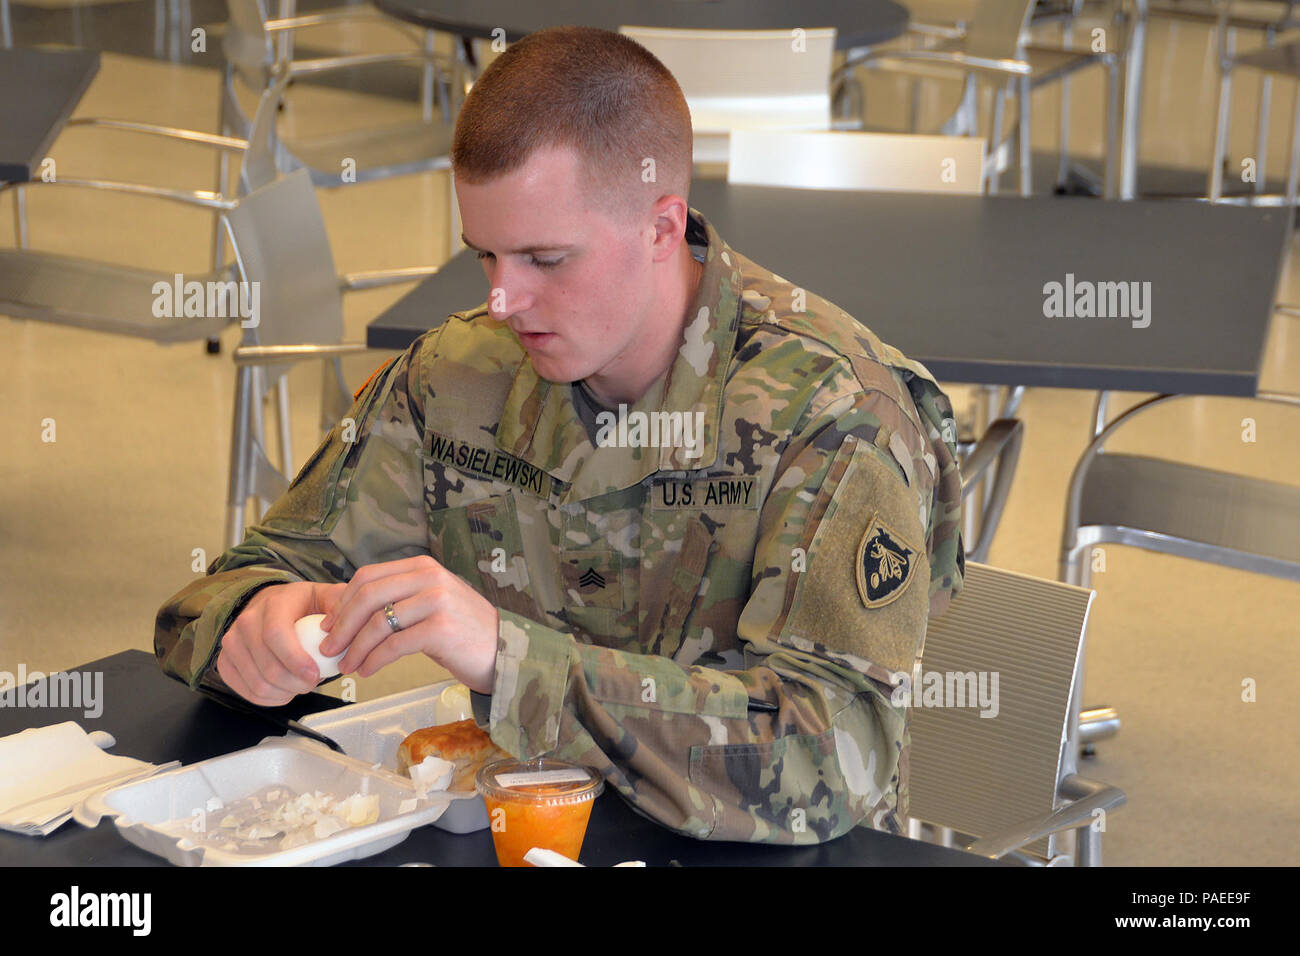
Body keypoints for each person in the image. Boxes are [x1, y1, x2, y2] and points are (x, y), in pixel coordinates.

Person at [155, 26, 964, 844]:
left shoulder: (832, 415)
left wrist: (510, 661)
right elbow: (228, 588)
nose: (505, 302)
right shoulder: (457, 376)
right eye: (486, 257)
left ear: (660, 228)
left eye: (546, 259)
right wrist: (251, 625)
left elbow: (828, 759)